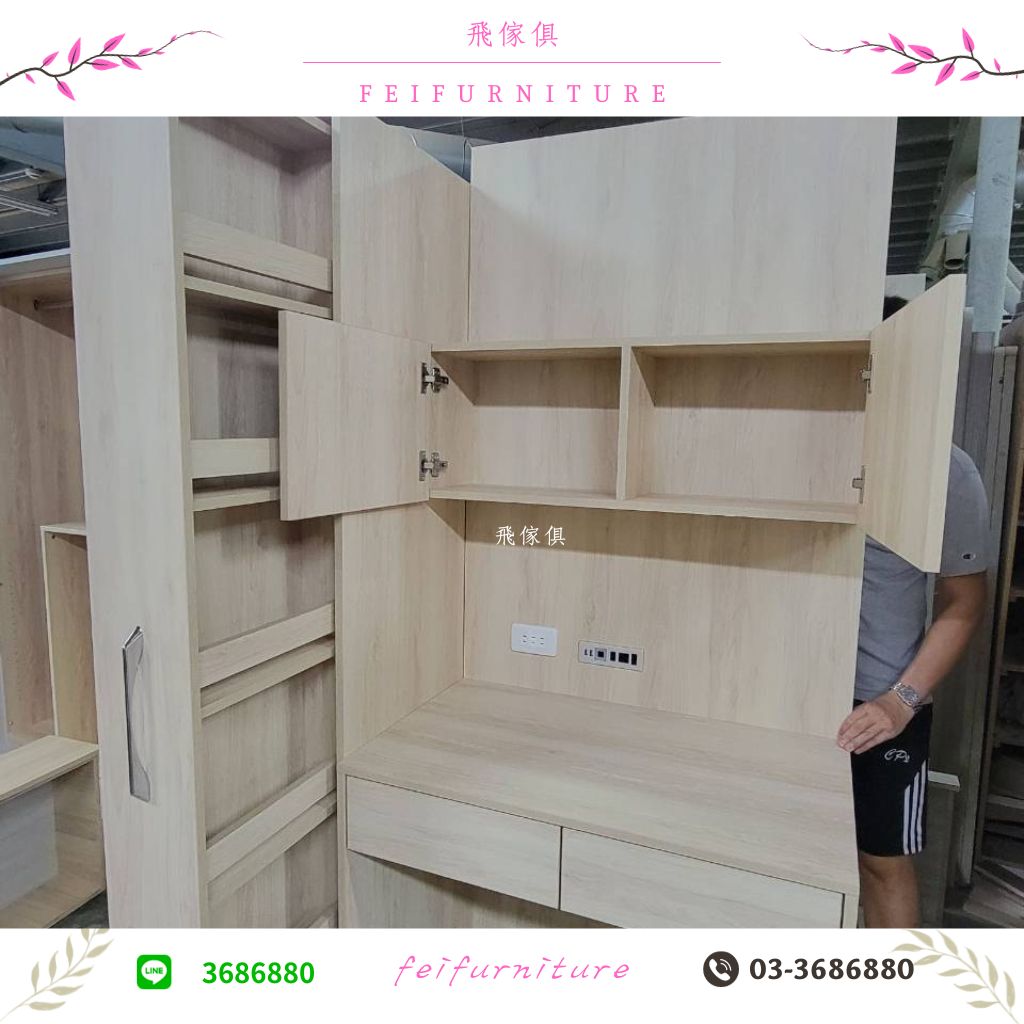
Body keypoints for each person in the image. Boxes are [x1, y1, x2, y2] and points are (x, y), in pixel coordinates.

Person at [836, 294, 989, 928]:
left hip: (881, 700)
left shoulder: (946, 472)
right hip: (792, 692)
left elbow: (964, 601)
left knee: (882, 861)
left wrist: (900, 701)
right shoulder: (813, 447)